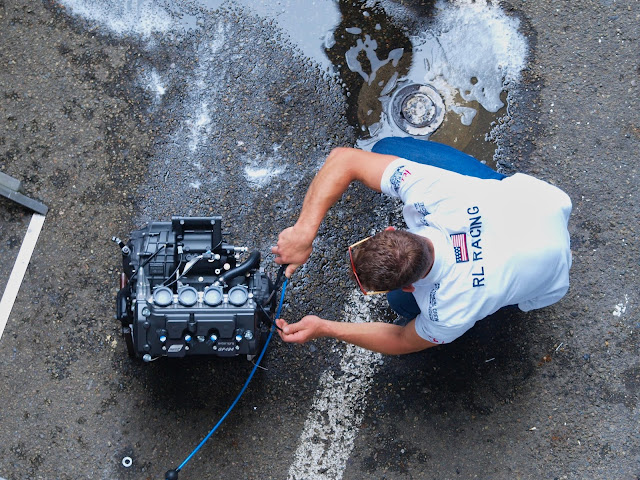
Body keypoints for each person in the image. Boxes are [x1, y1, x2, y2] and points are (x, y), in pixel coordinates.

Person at [271, 137, 572, 355]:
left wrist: (326, 327)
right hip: (542, 205)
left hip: (550, 277)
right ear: (395, 230)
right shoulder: (440, 195)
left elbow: (401, 341)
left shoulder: (450, 309)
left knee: (400, 309)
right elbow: (346, 159)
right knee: (386, 152)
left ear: (410, 287)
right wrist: (302, 233)